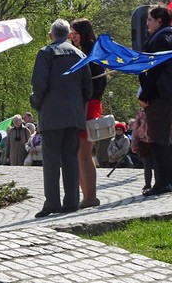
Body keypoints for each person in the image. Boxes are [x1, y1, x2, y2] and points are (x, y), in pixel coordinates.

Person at [30, 19, 92, 218]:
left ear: (51, 34)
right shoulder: (81, 55)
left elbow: (39, 84)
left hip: (52, 115)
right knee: (70, 159)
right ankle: (72, 201)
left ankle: (52, 202)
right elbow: (88, 89)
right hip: (74, 116)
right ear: (67, 34)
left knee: (51, 160)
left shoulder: (46, 53)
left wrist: (36, 102)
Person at [70, 18, 104, 209]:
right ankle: (86, 195)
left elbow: (94, 84)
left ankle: (90, 195)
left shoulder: (91, 55)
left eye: (75, 33)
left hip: (88, 105)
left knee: (84, 152)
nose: (73, 37)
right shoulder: (87, 53)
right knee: (79, 152)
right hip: (86, 104)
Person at [138, 4, 172, 196]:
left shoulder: (160, 39)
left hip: (160, 94)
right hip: (167, 93)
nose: (147, 24)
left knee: (158, 140)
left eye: (149, 19)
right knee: (166, 139)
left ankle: (162, 182)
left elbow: (155, 70)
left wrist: (145, 94)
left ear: (159, 20)